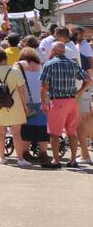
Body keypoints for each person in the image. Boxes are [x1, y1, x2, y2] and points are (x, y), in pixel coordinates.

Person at [39, 39, 86, 168]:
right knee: (72, 131)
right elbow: (88, 80)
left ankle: (56, 160)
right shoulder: (73, 64)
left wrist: (43, 101)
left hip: (57, 101)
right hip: (72, 101)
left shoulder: (50, 64)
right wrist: (79, 92)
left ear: (53, 51)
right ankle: (72, 160)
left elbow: (44, 85)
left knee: (54, 133)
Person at [0, 46, 29, 166]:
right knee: (16, 133)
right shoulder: (15, 71)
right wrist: (25, 106)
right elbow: (22, 90)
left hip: (0, 106)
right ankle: (20, 159)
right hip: (15, 105)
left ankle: (2, 157)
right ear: (6, 57)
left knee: (1, 133)